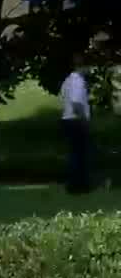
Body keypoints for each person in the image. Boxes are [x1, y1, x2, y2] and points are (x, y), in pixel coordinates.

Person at [60, 53, 92, 194]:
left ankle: (75, 184)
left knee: (74, 153)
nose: (90, 70)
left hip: (68, 120)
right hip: (76, 120)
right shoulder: (78, 81)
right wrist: (84, 120)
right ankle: (79, 185)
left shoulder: (67, 80)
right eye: (89, 67)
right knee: (79, 155)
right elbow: (76, 103)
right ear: (83, 66)